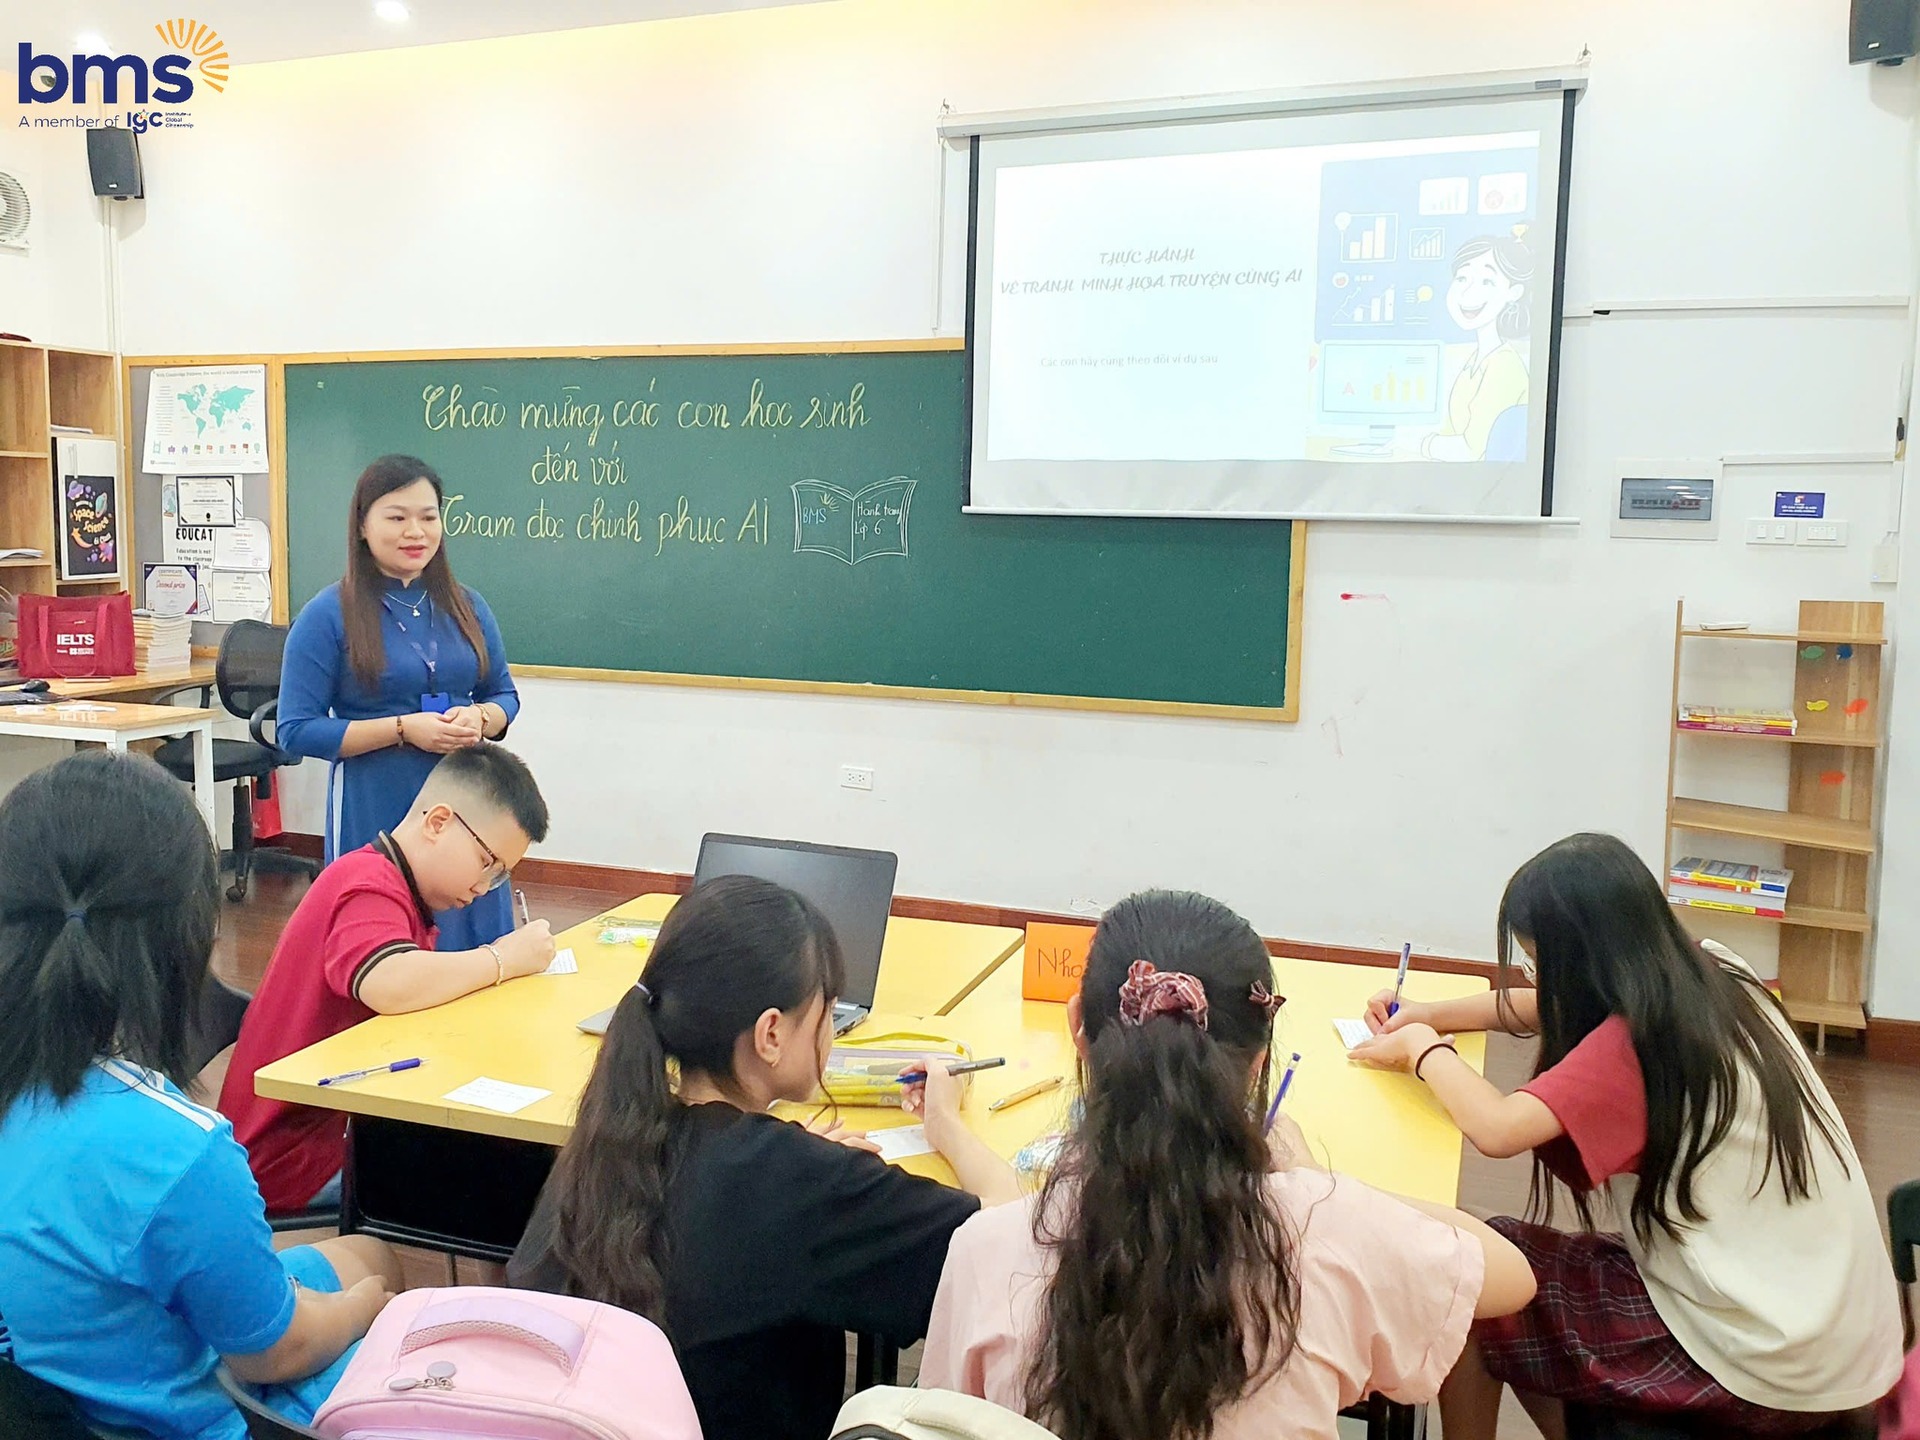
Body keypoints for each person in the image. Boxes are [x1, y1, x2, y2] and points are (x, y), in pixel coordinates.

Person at [919, 889, 1535, 1440]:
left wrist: (946, 1127)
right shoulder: (1328, 1231)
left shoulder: (984, 1250)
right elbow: (1512, 1275)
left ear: (1078, 1027)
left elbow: (939, 1423)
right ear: (1260, 1059)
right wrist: (1314, 1181)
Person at [1353, 833, 1904, 1437]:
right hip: (1834, 1332)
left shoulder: (1641, 1045)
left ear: (1583, 963)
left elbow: (1498, 1129)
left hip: (1770, 1358)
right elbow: (1554, 1006)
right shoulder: (1714, 971)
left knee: (1470, 1277)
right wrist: (1430, 1014)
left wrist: (1423, 1049)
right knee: (1497, 1254)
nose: (1539, 980)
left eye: (1541, 964)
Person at [508, 875, 1021, 1440]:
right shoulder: (800, 1182)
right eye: (828, 1011)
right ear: (770, 1034)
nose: (831, 1031)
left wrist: (798, 1157)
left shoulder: (604, 1142)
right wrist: (945, 1124)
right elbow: (1009, 1237)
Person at [0, 751, 403, 1440]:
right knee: (382, 1298)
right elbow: (275, 1353)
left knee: (366, 1254)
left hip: (48, 1377)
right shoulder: (174, 1147)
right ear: (187, 937)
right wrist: (370, 1309)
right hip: (173, 1419)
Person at [220, 744, 555, 1213]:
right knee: (522, 1182)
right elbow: (387, 981)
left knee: (519, 1165)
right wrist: (502, 959)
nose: (484, 887)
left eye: (499, 876)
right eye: (488, 864)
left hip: (330, 1126)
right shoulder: (368, 883)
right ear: (438, 822)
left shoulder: (394, 884)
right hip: (290, 1159)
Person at [278, 454, 521, 953]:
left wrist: (481, 717)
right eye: (397, 517)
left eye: (428, 517)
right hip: (377, 797)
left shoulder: (469, 606)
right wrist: (404, 729)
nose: (416, 532)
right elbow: (295, 729)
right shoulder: (327, 614)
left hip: (469, 795)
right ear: (362, 526)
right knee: (385, 935)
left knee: (475, 930)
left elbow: (504, 696)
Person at [1421, 230, 1532, 462]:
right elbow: (1450, 433)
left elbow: (1470, 450)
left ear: (1513, 293)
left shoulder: (1504, 366)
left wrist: (1421, 445)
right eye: (1462, 278)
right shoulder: (1474, 361)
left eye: (1487, 281)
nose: (1468, 292)